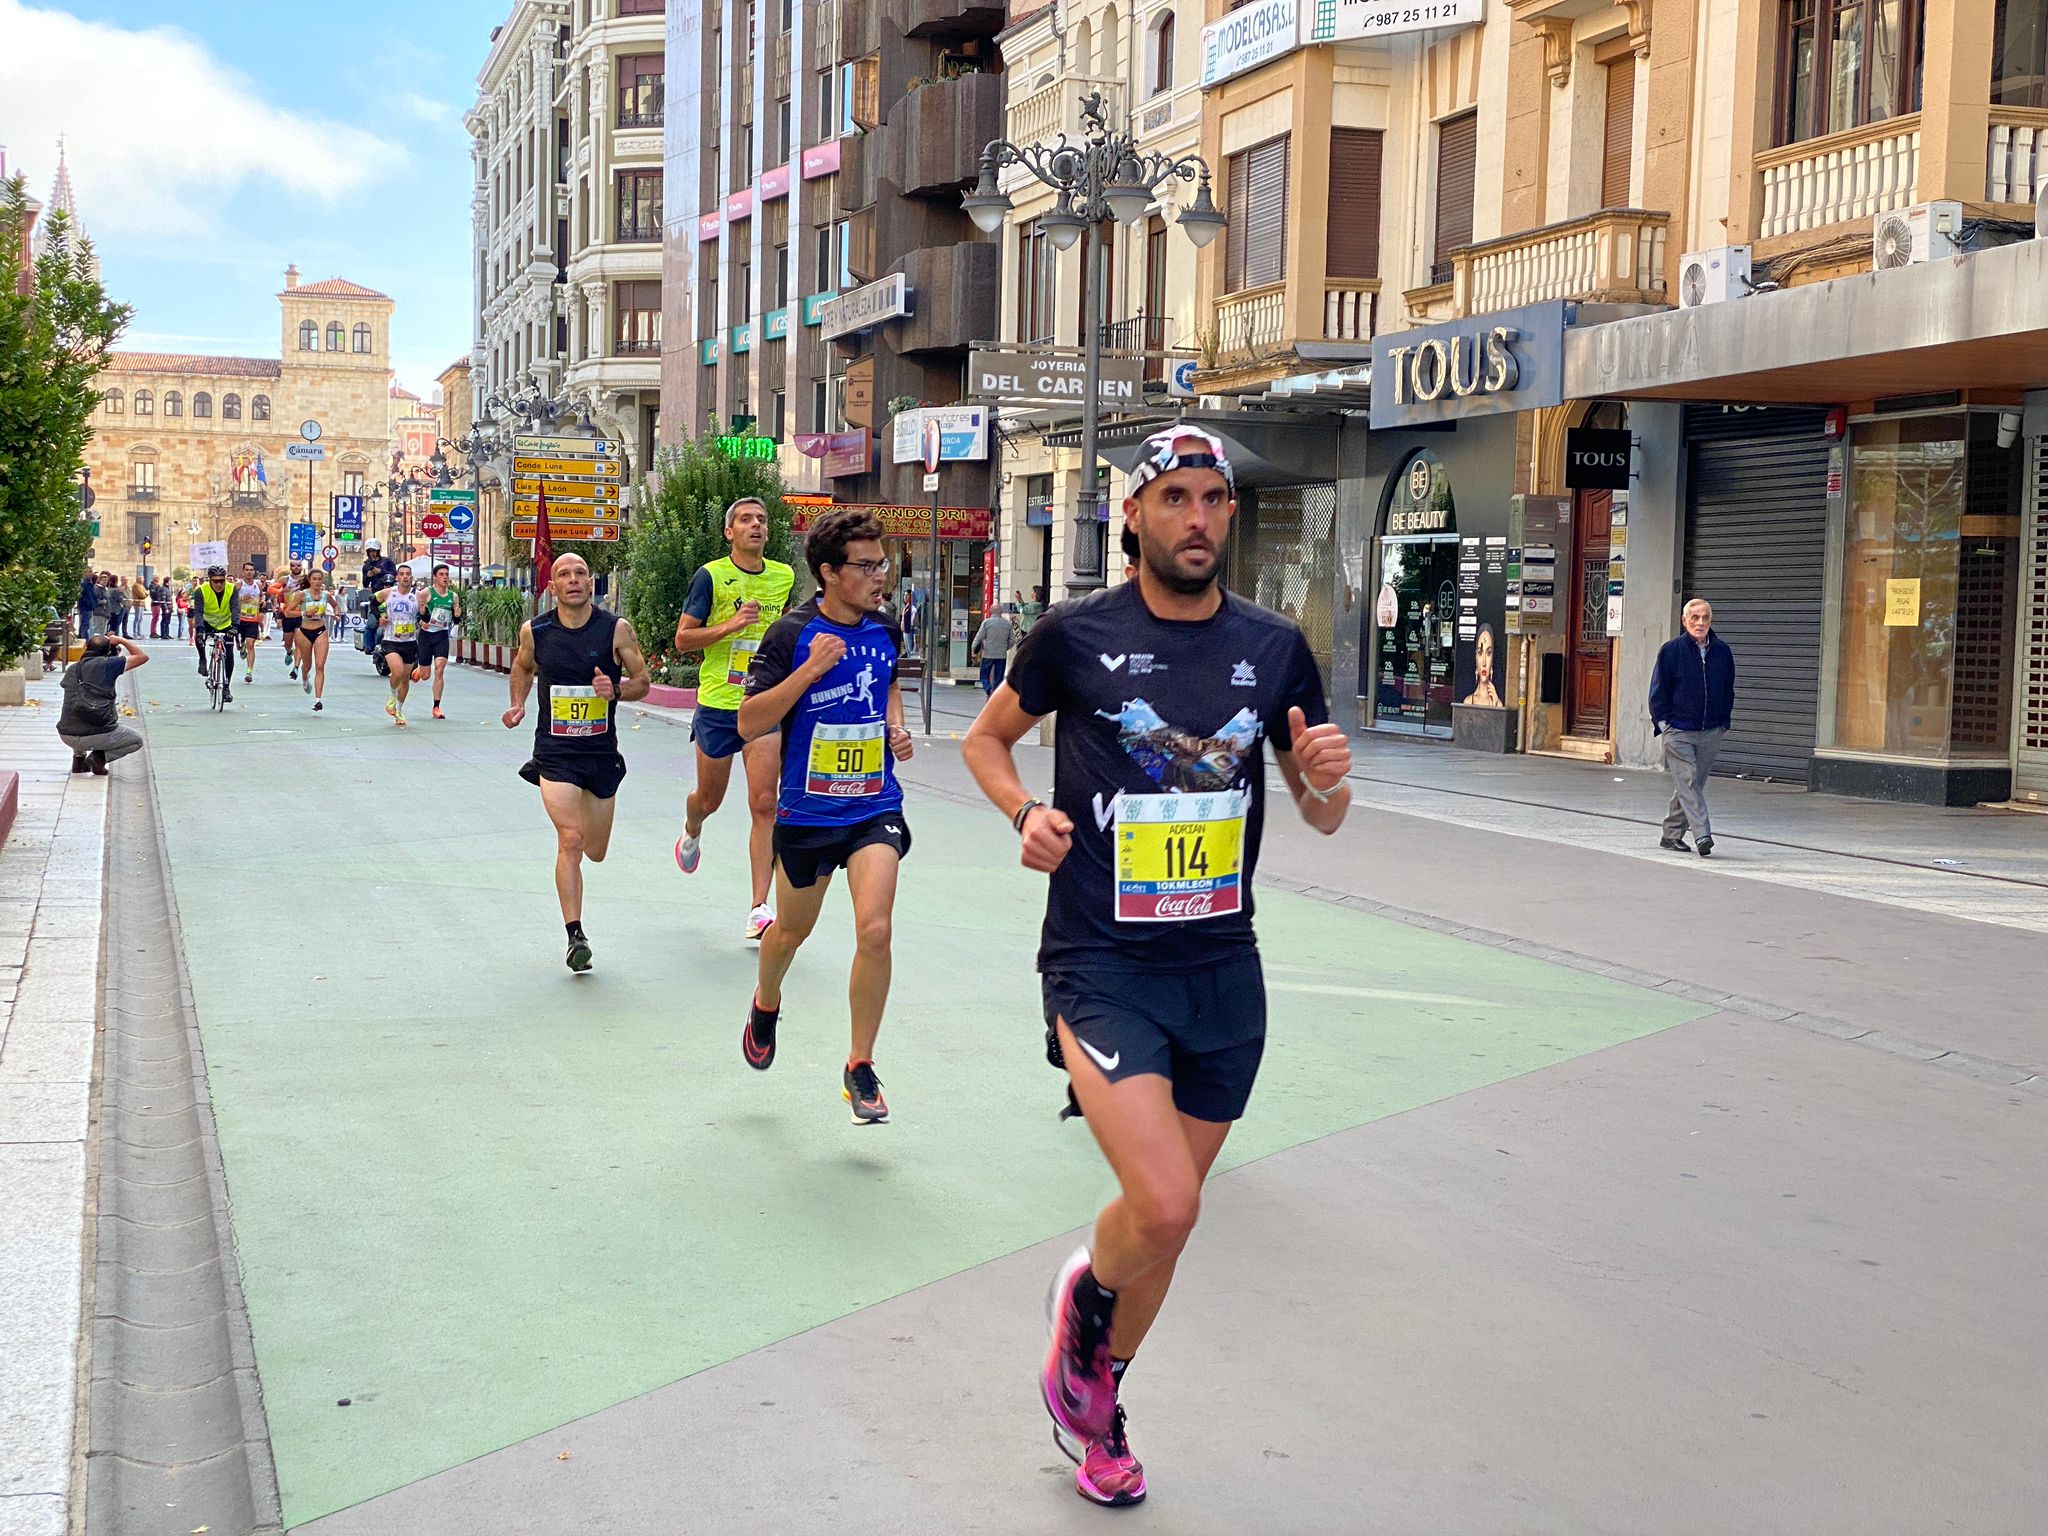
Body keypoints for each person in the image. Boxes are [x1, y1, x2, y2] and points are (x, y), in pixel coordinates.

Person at [961, 427, 1354, 1510]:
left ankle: (1096, 1401)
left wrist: (1325, 780)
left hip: (1224, 966)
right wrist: (1025, 812)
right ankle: (1084, 1298)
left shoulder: (1274, 646)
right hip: (1100, 959)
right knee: (1167, 1206)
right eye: (1173, 498)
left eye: (1213, 500)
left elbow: (1318, 814)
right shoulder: (1073, 635)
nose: (1196, 519)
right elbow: (986, 743)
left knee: (1165, 1227)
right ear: (1131, 515)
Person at [735, 508, 914, 1124]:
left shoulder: (886, 630)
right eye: (865, 567)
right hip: (808, 812)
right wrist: (810, 672)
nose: (878, 576)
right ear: (828, 573)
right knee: (790, 931)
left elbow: (887, 682)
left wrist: (893, 724)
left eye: (881, 564)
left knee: (876, 929)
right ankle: (766, 1001)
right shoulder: (790, 635)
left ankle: (859, 1066)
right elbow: (750, 721)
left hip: (873, 804)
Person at [502, 552, 651, 972]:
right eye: (563, 574)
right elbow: (522, 667)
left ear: (591, 584)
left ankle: (589, 849)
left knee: (595, 850)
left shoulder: (615, 629)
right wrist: (517, 705)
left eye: (580, 573)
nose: (572, 580)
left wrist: (617, 689)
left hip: (601, 753)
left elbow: (643, 682)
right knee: (570, 838)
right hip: (555, 752)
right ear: (553, 587)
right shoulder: (537, 630)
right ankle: (575, 936)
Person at [671, 497, 797, 941]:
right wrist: (730, 626)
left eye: (761, 520)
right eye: (746, 520)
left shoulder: (784, 576)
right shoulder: (710, 575)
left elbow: (785, 634)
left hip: (762, 704)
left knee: (765, 803)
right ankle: (692, 828)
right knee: (709, 799)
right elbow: (684, 638)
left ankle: (759, 908)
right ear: (730, 533)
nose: (756, 525)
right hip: (720, 703)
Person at [1650, 597, 1735, 858]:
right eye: (1695, 618)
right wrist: (1664, 724)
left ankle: (1671, 834)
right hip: (1678, 730)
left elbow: (1728, 689)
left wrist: (1723, 723)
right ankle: (1702, 834)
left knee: (1692, 783)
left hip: (1710, 730)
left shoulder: (1722, 651)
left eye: (1705, 618)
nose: (1700, 623)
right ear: (1684, 621)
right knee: (1688, 780)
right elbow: (1658, 690)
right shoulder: (1671, 651)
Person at [58, 633, 149, 774]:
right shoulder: (109, 664)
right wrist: (122, 640)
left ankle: (78, 761)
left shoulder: (73, 668)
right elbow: (142, 657)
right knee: (136, 740)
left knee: (78, 710)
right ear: (108, 651)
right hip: (96, 733)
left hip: (66, 734)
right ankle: (97, 759)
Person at [374, 563, 423, 726]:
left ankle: (399, 710)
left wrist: (424, 619)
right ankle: (392, 696)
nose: (405, 577)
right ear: (397, 577)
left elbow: (426, 615)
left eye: (408, 574)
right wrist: (380, 616)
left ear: (412, 577)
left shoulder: (418, 596)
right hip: (391, 640)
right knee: (397, 671)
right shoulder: (388, 593)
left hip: (409, 642)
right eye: (401, 574)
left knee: (405, 679)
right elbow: (372, 602)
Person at [415, 564, 462, 719]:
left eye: (447, 574)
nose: (445, 577)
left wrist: (457, 615)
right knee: (425, 675)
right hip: (426, 636)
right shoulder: (426, 593)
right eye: (441, 574)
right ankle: (419, 670)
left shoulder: (453, 596)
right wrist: (421, 621)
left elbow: (455, 621)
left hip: (441, 635)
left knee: (440, 669)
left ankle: (436, 707)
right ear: (435, 577)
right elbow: (417, 613)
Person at [290, 568, 339, 710]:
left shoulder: (326, 595)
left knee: (320, 665)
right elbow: (288, 612)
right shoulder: (302, 595)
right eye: (314, 579)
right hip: (304, 631)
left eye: (319, 579)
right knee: (308, 665)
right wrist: (305, 612)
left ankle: (318, 700)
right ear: (309, 580)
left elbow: (336, 606)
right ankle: (305, 676)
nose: (317, 582)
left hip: (321, 631)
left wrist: (336, 615)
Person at [192, 565, 240, 702]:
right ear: (209, 580)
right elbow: (198, 611)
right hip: (208, 622)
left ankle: (226, 688)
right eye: (215, 581)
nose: (219, 584)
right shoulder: (200, 590)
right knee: (199, 637)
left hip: (226, 624)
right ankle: (202, 659)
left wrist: (235, 626)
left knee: (229, 654)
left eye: (222, 580)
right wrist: (200, 629)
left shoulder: (232, 589)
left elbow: (235, 608)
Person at [359, 540, 398, 649]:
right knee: (371, 624)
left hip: (391, 596)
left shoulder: (387, 561)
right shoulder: (367, 565)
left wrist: (379, 571)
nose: (372, 553)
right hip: (376, 597)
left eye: (374, 550)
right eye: (370, 551)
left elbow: (394, 574)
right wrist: (369, 575)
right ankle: (368, 646)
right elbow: (365, 583)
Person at [231, 561, 265, 682]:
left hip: (252, 619)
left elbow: (262, 596)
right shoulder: (238, 585)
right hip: (240, 619)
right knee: (240, 644)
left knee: (251, 644)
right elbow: (231, 600)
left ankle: (249, 671)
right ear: (243, 571)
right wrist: (241, 599)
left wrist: (262, 604)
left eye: (251, 570)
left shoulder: (259, 584)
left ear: (254, 571)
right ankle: (241, 646)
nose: (249, 572)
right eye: (247, 570)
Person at [971, 603, 1016, 696]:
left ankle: (988, 688)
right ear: (1001, 611)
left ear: (990, 611)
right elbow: (1012, 640)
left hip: (988, 654)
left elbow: (979, 638)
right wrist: (1005, 647)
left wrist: (973, 649)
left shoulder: (987, 623)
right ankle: (995, 693)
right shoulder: (1007, 624)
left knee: (984, 675)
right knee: (999, 677)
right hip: (1001, 655)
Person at [1462, 622, 1503, 706]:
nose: (1484, 662)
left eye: (1488, 653)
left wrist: (1494, 704)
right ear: (1476, 656)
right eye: (1480, 653)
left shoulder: (1497, 703)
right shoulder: (1468, 701)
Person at [76, 571, 100, 639]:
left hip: (89, 607)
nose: (91, 574)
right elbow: (81, 595)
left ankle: (82, 638)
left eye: (91, 572)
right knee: (86, 625)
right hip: (86, 607)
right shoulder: (84, 583)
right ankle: (85, 641)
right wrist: (89, 603)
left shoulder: (90, 583)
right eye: (89, 572)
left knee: (85, 625)